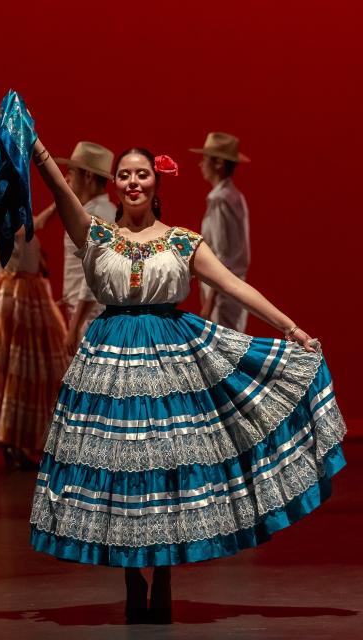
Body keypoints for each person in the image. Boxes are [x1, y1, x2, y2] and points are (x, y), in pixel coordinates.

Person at [26, 133, 346, 624]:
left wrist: (290, 327)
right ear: (115, 185)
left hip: (170, 362)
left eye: (142, 173)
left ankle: (166, 571)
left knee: (169, 470)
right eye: (125, 174)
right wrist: (35, 146)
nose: (133, 181)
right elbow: (57, 187)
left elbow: (233, 284)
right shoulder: (95, 234)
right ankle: (132, 574)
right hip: (109, 362)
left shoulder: (181, 241)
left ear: (156, 183)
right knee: (122, 468)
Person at [0, 214, 69, 469]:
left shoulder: (19, 222)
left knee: (28, 368)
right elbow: (27, 229)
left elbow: (33, 226)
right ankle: (12, 444)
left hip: (30, 292)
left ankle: (21, 443)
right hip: (13, 296)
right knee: (13, 366)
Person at [55, 142, 117, 354]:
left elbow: (96, 274)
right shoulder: (92, 211)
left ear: (88, 177)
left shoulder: (98, 215)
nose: (67, 179)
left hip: (91, 318)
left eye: (71, 172)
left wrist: (74, 328)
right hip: (85, 314)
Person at [190, 132, 251, 331]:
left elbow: (222, 255)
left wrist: (210, 300)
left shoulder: (221, 199)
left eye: (205, 159)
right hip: (229, 290)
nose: (200, 164)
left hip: (223, 294)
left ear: (218, 163)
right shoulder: (233, 196)